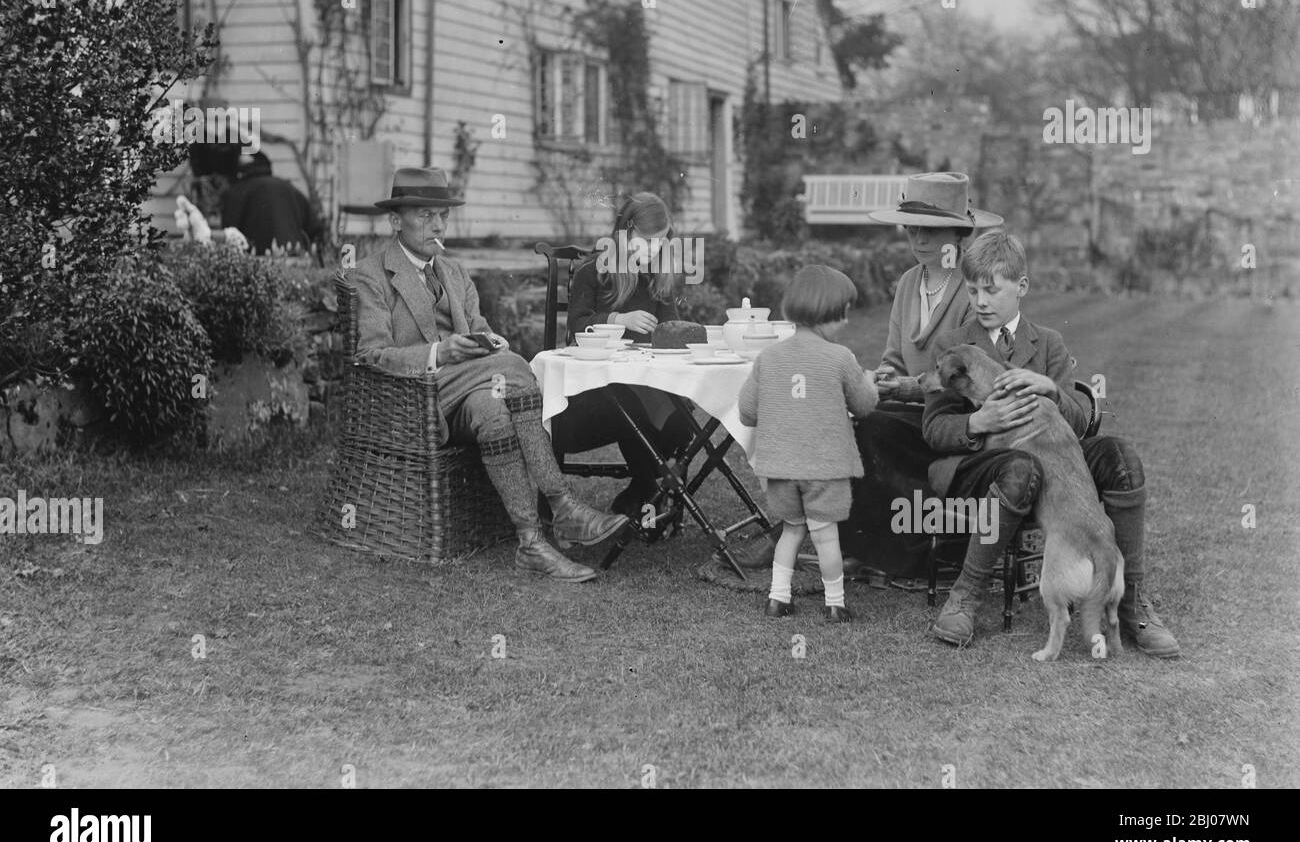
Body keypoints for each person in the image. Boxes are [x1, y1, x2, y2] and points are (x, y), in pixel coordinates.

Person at [352, 167, 629, 583]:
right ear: (395, 221)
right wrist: (438, 352)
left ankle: (531, 542)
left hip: (471, 394)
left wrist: (488, 341)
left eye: (442, 215)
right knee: (517, 367)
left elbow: (478, 329)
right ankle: (563, 504)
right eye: (425, 215)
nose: (438, 224)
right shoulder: (372, 276)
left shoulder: (454, 271)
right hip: (418, 399)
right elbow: (371, 356)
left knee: (495, 412)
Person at [729, 172, 1002, 574]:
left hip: (955, 420)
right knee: (842, 416)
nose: (918, 240)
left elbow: (969, 381)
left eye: (931, 230)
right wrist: (881, 377)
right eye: (911, 228)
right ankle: (824, 533)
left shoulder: (972, 290)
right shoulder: (910, 283)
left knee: (865, 426)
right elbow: (893, 357)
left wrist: (903, 387)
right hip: (914, 412)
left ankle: (815, 535)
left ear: (958, 234)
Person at [923, 231, 1180, 657]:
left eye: (992, 290)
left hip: (1056, 455)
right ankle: (966, 595)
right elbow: (933, 429)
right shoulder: (952, 346)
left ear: (1021, 287)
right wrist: (976, 419)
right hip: (980, 466)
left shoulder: (1048, 344)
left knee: (1121, 457)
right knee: (1021, 467)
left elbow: (1082, 424)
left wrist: (1053, 391)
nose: (981, 301)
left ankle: (1132, 601)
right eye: (972, 291)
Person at [738, 266, 879, 622]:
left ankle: (778, 598)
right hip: (824, 470)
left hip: (780, 471)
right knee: (827, 538)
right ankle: (835, 603)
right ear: (826, 315)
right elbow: (863, 404)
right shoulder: (840, 358)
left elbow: (746, 411)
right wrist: (870, 380)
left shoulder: (768, 357)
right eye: (844, 313)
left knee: (791, 531)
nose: (847, 321)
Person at [555, 192, 695, 521]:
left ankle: (640, 494)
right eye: (645, 241)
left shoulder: (660, 274)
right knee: (634, 407)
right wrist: (618, 320)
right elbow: (575, 328)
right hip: (595, 391)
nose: (653, 250)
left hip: (646, 382)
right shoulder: (595, 271)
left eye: (660, 242)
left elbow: (671, 327)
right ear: (625, 233)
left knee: (680, 423)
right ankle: (648, 492)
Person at [220, 152, 325, 256]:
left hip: (257, 262)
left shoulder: (236, 192)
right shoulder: (287, 187)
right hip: (293, 256)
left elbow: (229, 233)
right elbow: (315, 227)